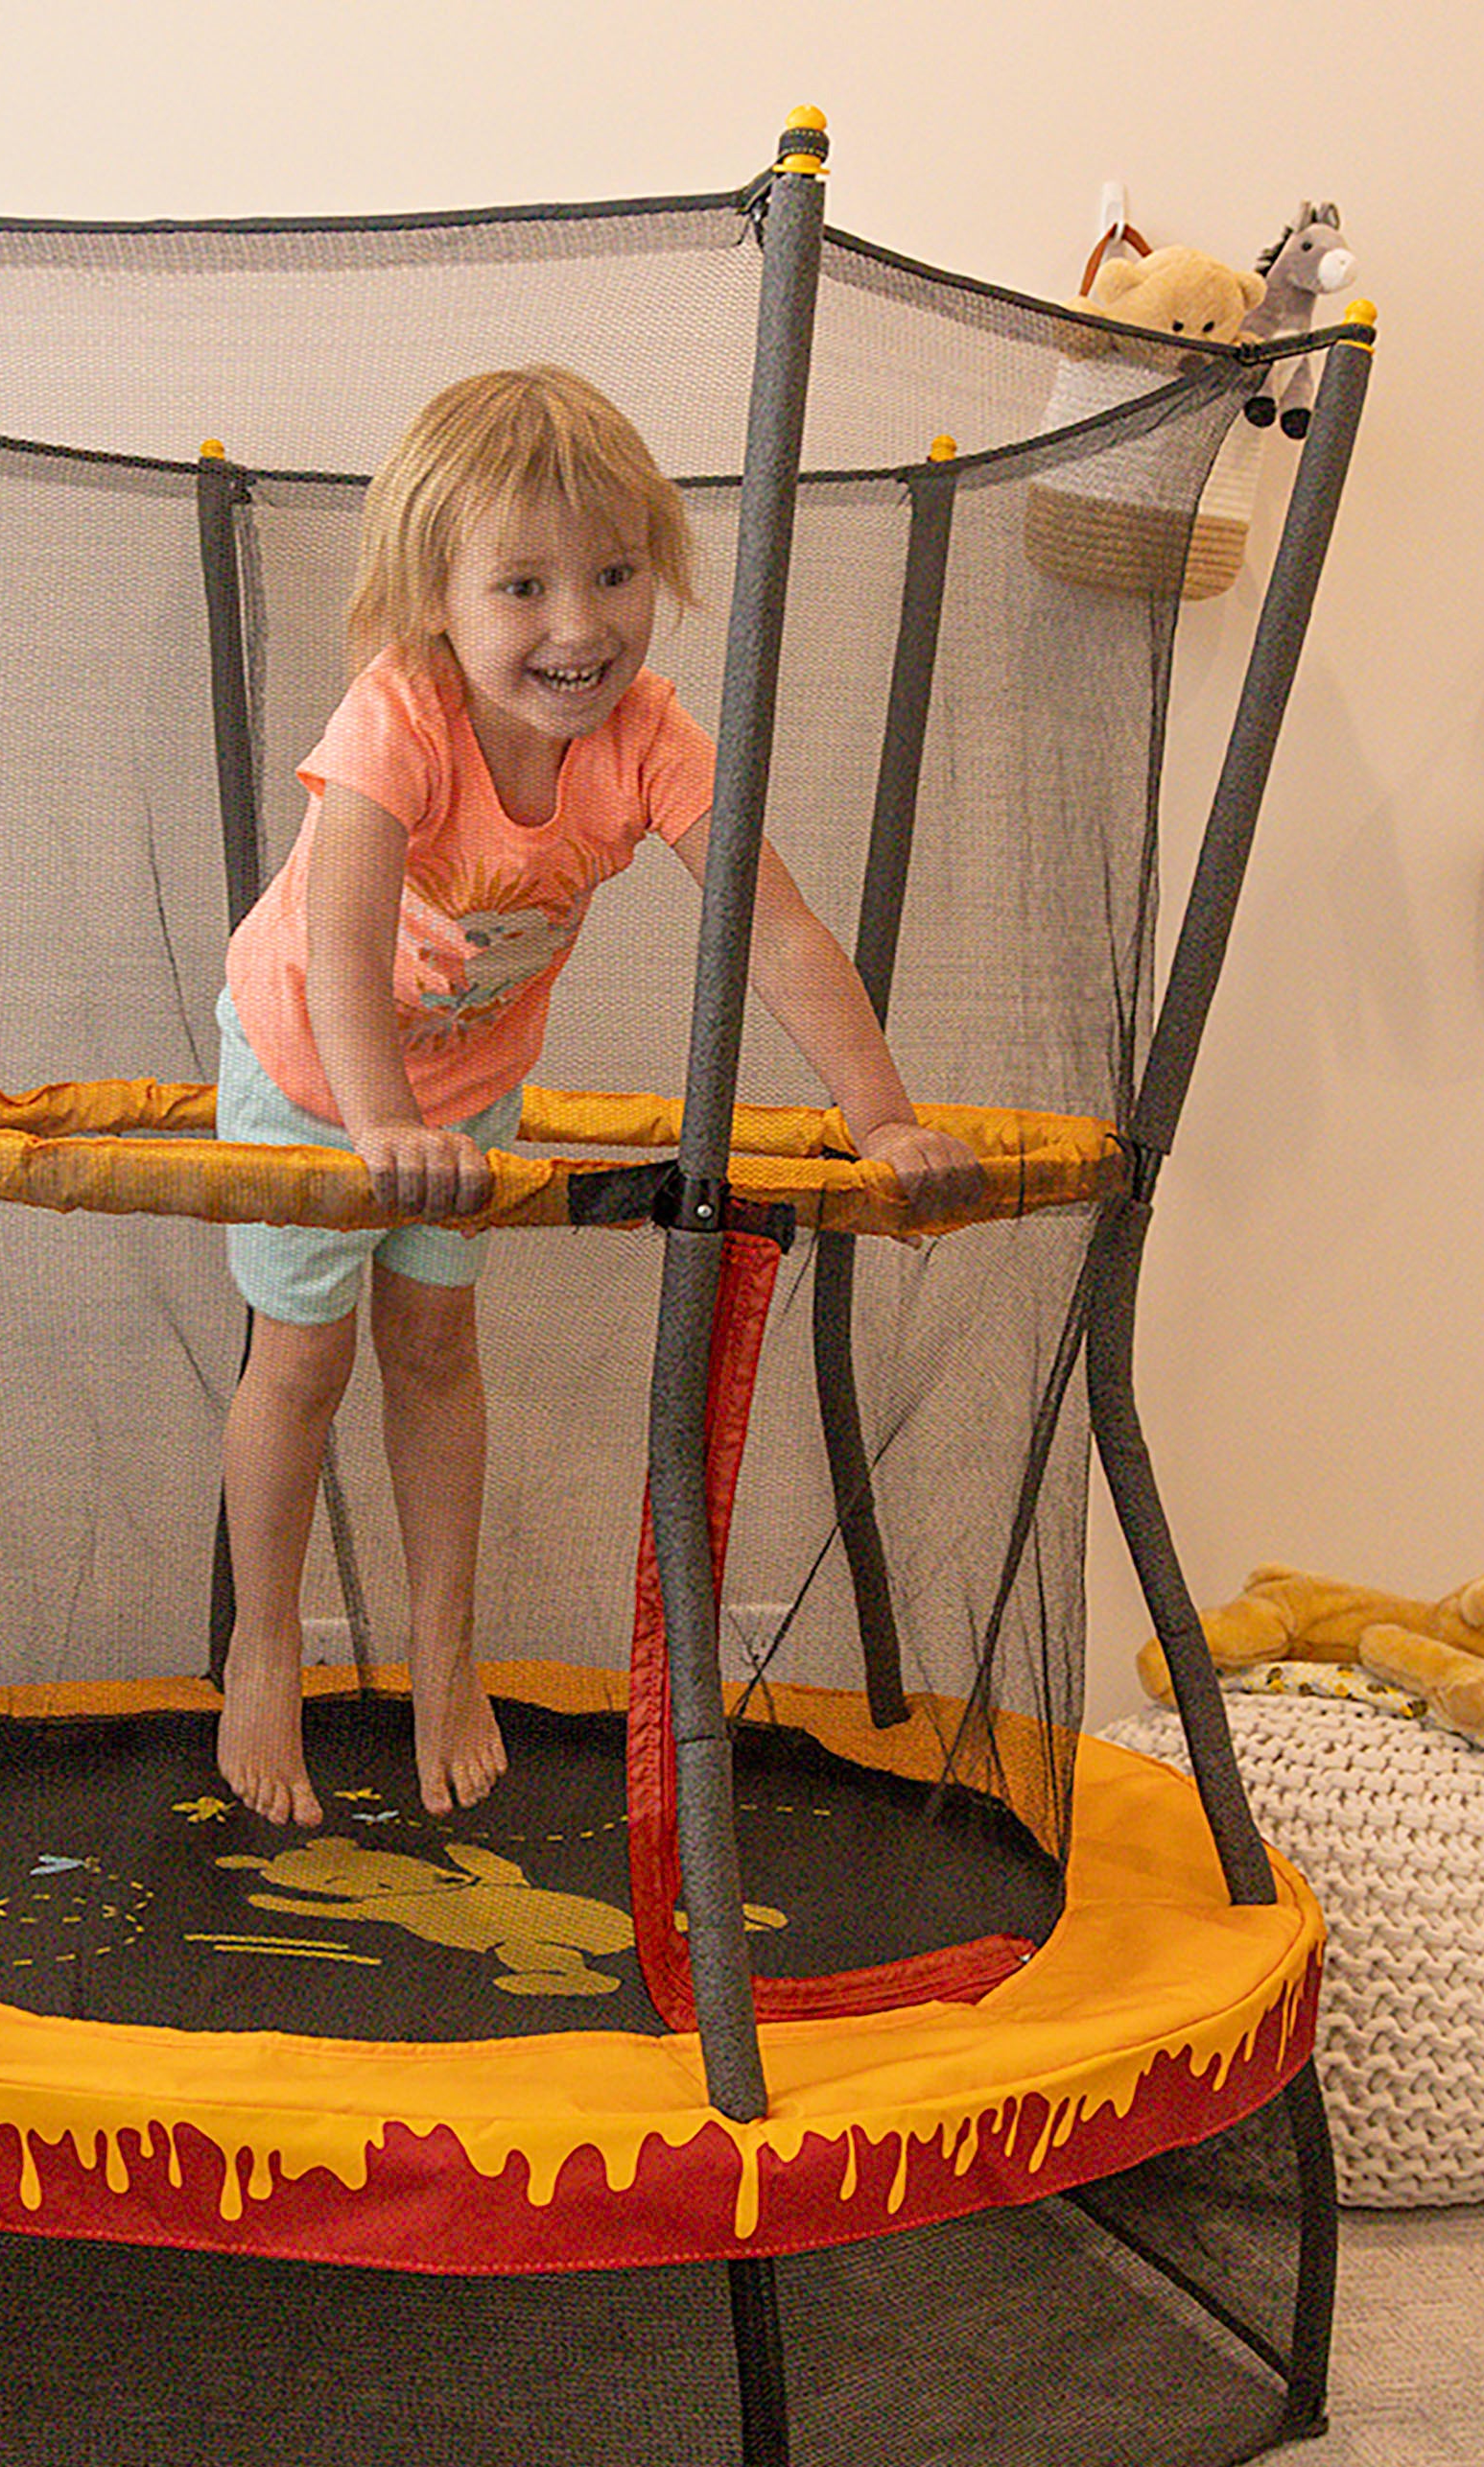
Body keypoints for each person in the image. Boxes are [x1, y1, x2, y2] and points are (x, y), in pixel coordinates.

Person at [214, 364, 982, 1828]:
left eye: (615, 575)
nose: (579, 627)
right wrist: (377, 1127)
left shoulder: (650, 738)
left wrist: (881, 1115)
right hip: (312, 1065)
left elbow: (772, 929)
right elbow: (342, 947)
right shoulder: (396, 719)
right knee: (303, 1362)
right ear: (436, 602)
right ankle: (263, 1651)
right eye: (523, 588)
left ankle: (445, 1655)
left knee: (434, 1347)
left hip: (466, 1085)